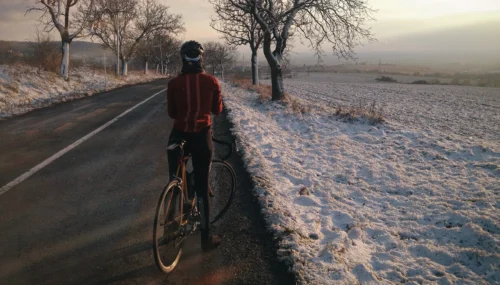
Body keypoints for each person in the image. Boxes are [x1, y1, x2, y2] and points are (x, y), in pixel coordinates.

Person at [166, 40, 223, 251]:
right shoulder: (211, 81)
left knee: (174, 180)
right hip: (201, 136)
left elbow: (172, 113)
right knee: (201, 185)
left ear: (183, 59)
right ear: (201, 58)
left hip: (178, 136)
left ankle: (168, 230)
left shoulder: (173, 84)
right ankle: (206, 239)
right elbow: (217, 110)